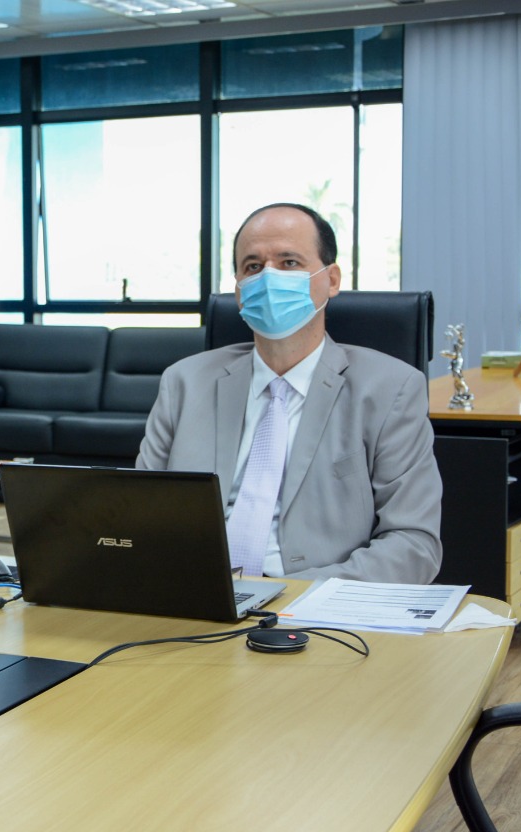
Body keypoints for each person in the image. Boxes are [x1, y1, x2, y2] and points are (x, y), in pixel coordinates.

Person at [137, 203, 442, 584]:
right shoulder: (183, 382)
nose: (268, 278)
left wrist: (291, 596)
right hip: (192, 597)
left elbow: (414, 545)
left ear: (331, 279)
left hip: (317, 609)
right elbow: (141, 518)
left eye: (289, 263)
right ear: (238, 292)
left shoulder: (391, 389)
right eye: (252, 266)